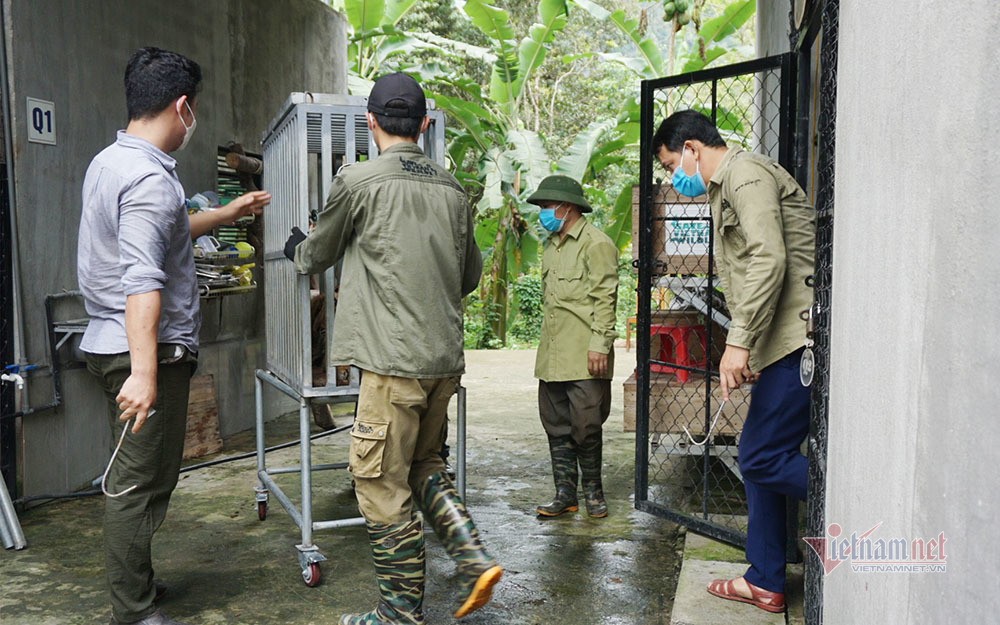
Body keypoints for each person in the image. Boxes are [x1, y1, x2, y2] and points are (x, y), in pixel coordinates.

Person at [284, 72, 500, 625]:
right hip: (442, 362)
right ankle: (473, 557)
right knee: (425, 463)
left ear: (369, 122)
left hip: (390, 364)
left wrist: (296, 246)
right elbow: (470, 276)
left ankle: (399, 613)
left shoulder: (358, 181)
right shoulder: (453, 189)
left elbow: (317, 254)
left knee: (380, 482)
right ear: (425, 125)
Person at [77, 47, 270, 625]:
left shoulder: (112, 162)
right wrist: (144, 372)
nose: (195, 121)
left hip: (118, 340)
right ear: (182, 107)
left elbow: (171, 228)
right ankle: (133, 611)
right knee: (138, 484)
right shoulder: (148, 179)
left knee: (153, 475)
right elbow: (142, 283)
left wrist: (229, 211)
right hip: (146, 348)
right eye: (197, 111)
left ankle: (137, 586)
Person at [652, 110, 815, 613]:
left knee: (759, 457)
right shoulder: (726, 187)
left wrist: (740, 343)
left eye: (670, 163)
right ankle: (764, 578)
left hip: (798, 338)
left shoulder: (744, 175)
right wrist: (753, 345)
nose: (672, 176)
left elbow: (770, 258)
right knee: (757, 453)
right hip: (778, 341)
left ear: (693, 149)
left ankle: (850, 497)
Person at [528, 175, 619, 519]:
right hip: (553, 353)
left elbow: (605, 298)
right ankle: (565, 493)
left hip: (585, 353)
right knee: (555, 424)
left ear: (567, 207)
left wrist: (600, 345)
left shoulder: (596, 244)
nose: (544, 213)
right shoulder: (552, 244)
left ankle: (593, 491)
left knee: (586, 425)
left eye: (548, 206)